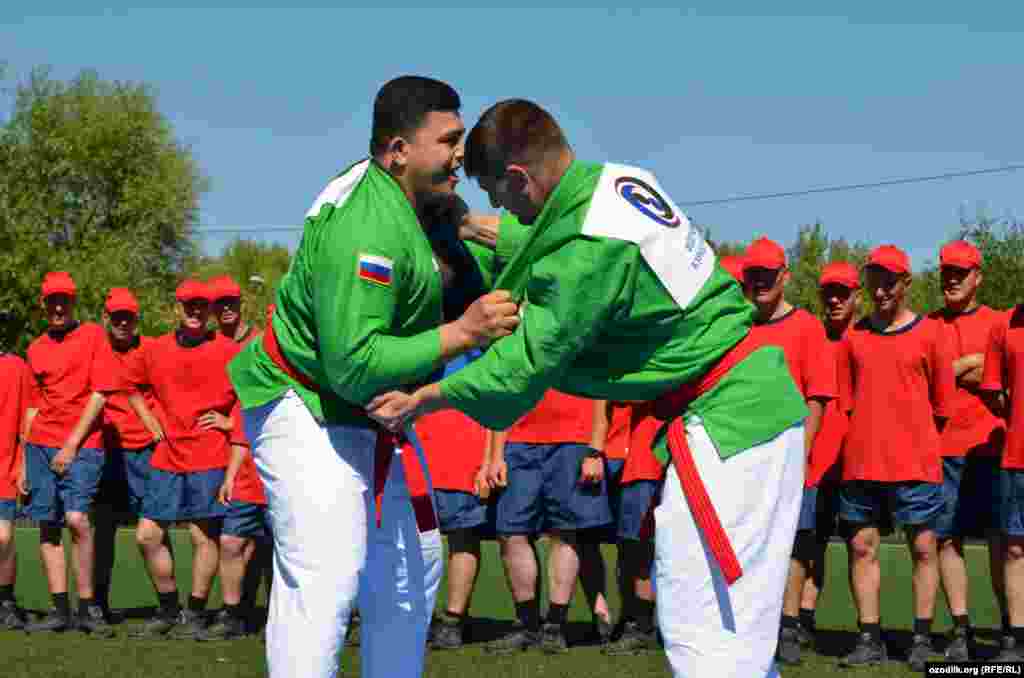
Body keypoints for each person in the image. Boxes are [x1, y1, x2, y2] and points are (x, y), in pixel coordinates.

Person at [369, 98, 809, 678]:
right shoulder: (617, 183)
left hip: (732, 422)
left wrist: (423, 398)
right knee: (733, 627)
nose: (500, 208)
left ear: (519, 177)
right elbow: (550, 235)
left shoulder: (589, 250)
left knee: (705, 626)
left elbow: (523, 365)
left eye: (497, 194)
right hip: (746, 407)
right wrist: (470, 227)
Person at [226, 76, 519, 678]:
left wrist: (480, 228)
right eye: (449, 140)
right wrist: (463, 333)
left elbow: (474, 251)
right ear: (398, 151)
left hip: (365, 414)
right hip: (307, 405)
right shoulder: (366, 226)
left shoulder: (414, 197)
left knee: (413, 569)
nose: (461, 155)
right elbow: (354, 364)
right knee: (327, 576)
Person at [834, 245, 956, 670]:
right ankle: (869, 638)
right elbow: (846, 404)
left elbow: (943, 406)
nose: (881, 290)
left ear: (906, 283)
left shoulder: (932, 334)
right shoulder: (853, 338)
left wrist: (911, 438)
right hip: (862, 463)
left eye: (890, 282)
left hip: (917, 464)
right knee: (861, 547)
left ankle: (921, 638)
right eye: (875, 281)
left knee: (923, 547)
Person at [122, 279, 249, 640]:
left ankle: (194, 612)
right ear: (176, 309)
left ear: (209, 311)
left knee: (202, 536)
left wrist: (229, 422)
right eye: (188, 305)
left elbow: (250, 395)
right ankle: (168, 609)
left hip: (210, 453)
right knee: (147, 535)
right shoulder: (155, 349)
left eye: (201, 306)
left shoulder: (228, 350)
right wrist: (150, 422)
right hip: (167, 454)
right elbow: (130, 385)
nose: (195, 312)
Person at [741, 237, 837, 666]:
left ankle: (789, 624)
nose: (759, 282)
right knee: (748, 543)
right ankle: (749, 625)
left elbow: (817, 398)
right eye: (753, 275)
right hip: (744, 458)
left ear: (784, 276)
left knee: (794, 544)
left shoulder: (807, 327)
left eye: (767, 275)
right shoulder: (736, 325)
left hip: (790, 459)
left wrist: (802, 453)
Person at [22, 272, 115, 637]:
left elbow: (100, 394)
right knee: (47, 525)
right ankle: (60, 610)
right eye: (52, 301)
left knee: (76, 520)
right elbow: (32, 406)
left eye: (64, 300)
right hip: (40, 445)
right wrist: (23, 460)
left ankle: (88, 607)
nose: (58, 307)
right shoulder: (35, 348)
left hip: (83, 444)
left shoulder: (93, 336)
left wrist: (71, 445)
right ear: (43, 305)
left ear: (73, 302)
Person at [484, 390, 612, 654]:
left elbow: (602, 386)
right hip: (517, 441)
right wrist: (496, 456)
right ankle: (527, 626)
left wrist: (596, 449)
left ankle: (555, 627)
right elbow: (505, 390)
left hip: (574, 438)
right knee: (510, 532)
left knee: (565, 532)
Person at [928, 240, 1006, 661]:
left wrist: (953, 371)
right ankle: (961, 629)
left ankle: (1011, 627)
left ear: (978, 277)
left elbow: (1001, 378)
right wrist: (964, 365)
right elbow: (921, 380)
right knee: (945, 541)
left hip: (993, 447)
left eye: (961, 273)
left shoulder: (1000, 322)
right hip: (941, 448)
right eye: (947, 272)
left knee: (1004, 544)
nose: (952, 280)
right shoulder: (928, 325)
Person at [795, 262, 861, 648]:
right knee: (810, 542)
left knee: (861, 545)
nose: (835, 300)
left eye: (843, 293)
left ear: (856, 297)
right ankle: (803, 618)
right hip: (815, 461)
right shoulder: (812, 337)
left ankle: (868, 630)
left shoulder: (869, 337)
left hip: (857, 460)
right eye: (829, 294)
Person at [418, 353, 494, 650]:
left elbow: (495, 402)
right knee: (415, 541)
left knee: (462, 538)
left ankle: (453, 620)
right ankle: (416, 617)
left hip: (462, 455)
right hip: (417, 457)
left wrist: (487, 460)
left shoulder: (482, 346)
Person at [93, 288, 157, 619]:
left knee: (153, 530)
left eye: (128, 318)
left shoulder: (152, 350)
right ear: (106, 318)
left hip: (145, 451)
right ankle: (97, 603)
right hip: (106, 451)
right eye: (117, 317)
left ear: (136, 319)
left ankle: (169, 606)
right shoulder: (95, 350)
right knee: (103, 529)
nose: (122, 323)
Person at [599, 401, 662, 655]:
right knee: (628, 547)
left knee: (641, 548)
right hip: (626, 458)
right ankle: (632, 617)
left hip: (648, 459)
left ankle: (644, 626)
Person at [981, 302, 1024, 661]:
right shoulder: (1004, 325)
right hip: (1017, 455)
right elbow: (993, 391)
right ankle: (1016, 638)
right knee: (1014, 549)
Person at [0, 309, 29, 630]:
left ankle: (6, 602)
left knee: (3, 536)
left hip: (4, 466)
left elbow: (27, 420)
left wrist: (23, 464)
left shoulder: (16, 367)